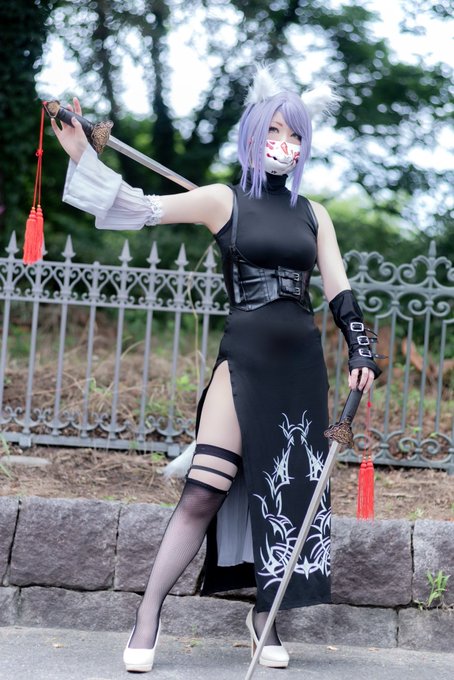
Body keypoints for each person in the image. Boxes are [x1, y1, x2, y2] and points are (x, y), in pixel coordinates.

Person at [51, 66, 380, 673]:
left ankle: (264, 617)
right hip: (244, 360)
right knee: (204, 488)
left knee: (288, 493)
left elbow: (339, 289)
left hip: (301, 367)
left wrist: (362, 349)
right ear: (253, 133)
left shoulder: (314, 214)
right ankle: (148, 614)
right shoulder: (222, 200)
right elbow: (138, 207)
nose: (285, 143)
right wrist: (81, 155)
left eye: (295, 135)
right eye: (274, 130)